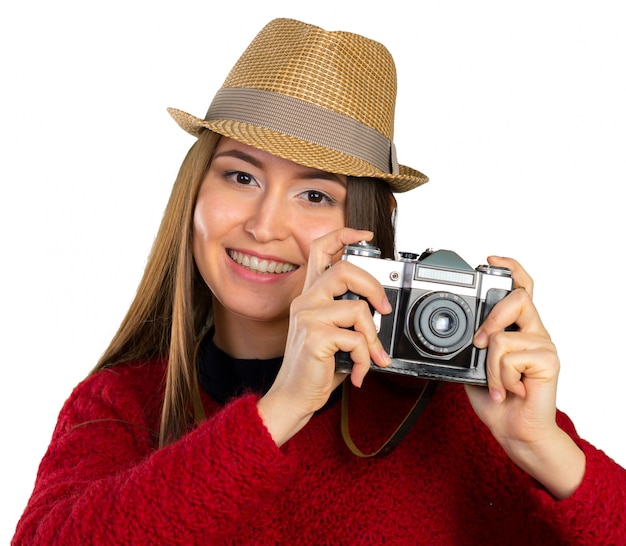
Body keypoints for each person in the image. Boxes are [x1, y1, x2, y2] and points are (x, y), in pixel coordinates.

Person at [12, 18, 626, 545]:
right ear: (193, 197)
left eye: (314, 193)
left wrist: (545, 450)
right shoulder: (118, 407)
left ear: (363, 229)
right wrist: (281, 409)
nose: (264, 225)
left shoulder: (452, 415)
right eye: (240, 177)